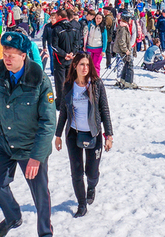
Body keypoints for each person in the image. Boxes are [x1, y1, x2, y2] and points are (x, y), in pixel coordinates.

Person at [0, 30, 56, 237]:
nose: (6, 59)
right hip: (6, 143)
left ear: (23, 55)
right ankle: (13, 216)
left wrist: (37, 156)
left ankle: (45, 232)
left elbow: (48, 122)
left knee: (40, 194)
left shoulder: (39, 80)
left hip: (31, 146)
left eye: (11, 55)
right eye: (4, 53)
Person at [54, 52, 114, 218]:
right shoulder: (68, 86)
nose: (85, 68)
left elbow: (104, 110)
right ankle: (81, 204)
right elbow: (64, 113)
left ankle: (92, 187)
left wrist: (109, 135)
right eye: (81, 64)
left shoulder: (97, 84)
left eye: (87, 65)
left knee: (91, 173)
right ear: (75, 65)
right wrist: (58, 135)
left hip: (93, 134)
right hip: (73, 134)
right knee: (76, 172)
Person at [51, 9, 75, 110]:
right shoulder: (74, 27)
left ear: (60, 16)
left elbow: (54, 45)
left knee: (60, 81)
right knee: (69, 80)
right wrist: (72, 53)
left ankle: (61, 102)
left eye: (56, 16)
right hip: (70, 57)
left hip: (60, 59)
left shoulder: (56, 28)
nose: (55, 18)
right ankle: (70, 100)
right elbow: (78, 42)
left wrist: (64, 54)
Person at [114, 13, 135, 88]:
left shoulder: (123, 26)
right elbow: (121, 41)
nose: (130, 20)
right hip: (123, 50)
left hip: (123, 49)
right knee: (130, 64)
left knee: (126, 64)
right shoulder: (123, 28)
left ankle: (123, 80)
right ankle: (128, 82)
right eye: (129, 19)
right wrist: (126, 50)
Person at [83, 11, 107, 77]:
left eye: (100, 18)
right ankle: (88, 78)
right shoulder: (90, 25)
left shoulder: (103, 28)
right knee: (89, 64)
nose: (98, 20)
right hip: (89, 47)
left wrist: (104, 50)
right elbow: (86, 35)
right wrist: (85, 45)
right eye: (97, 18)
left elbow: (105, 39)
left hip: (98, 48)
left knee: (96, 65)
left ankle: (96, 79)